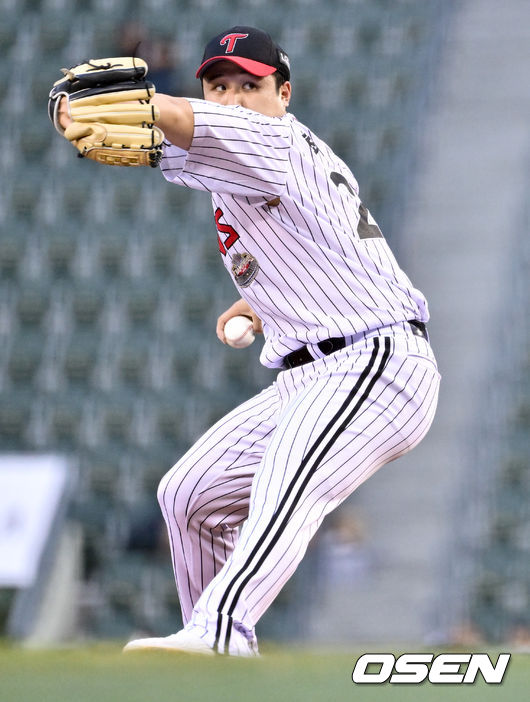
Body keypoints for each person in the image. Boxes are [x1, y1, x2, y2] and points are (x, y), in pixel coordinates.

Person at [58, 25, 441, 657]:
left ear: (282, 94)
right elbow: (170, 148)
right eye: (219, 85)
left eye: (249, 85)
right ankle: (218, 671)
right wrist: (264, 302)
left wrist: (143, 104)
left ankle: (220, 633)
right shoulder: (238, 162)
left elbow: (177, 120)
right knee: (189, 493)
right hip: (314, 370)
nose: (232, 98)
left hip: (375, 364)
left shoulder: (274, 139)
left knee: (288, 483)